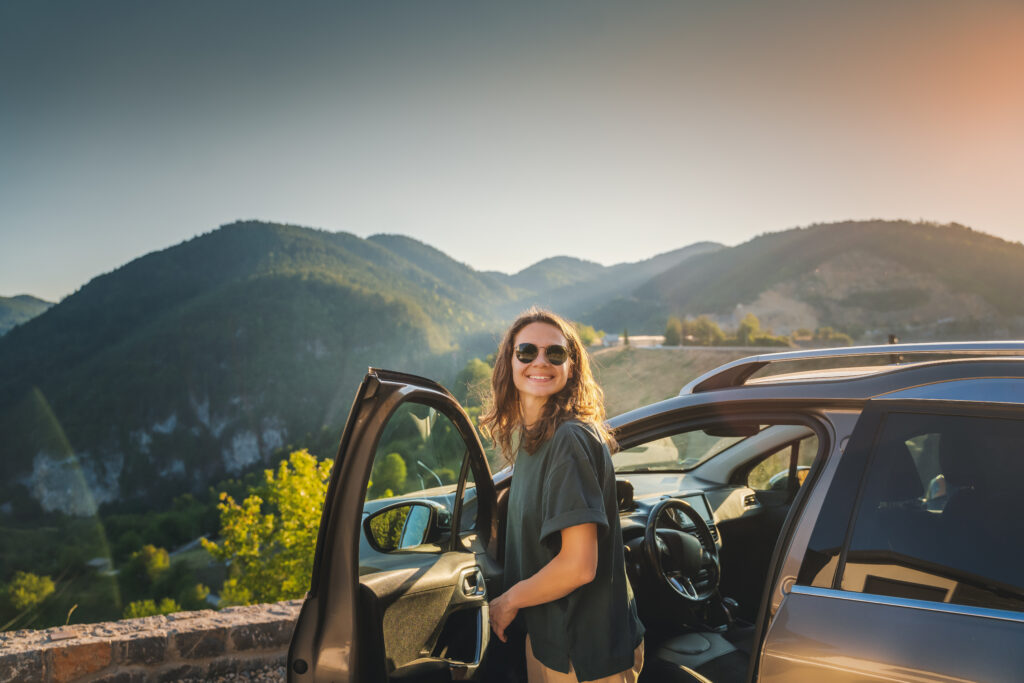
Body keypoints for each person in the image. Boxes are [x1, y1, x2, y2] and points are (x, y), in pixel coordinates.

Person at [481, 308, 645, 683]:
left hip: (584, 655)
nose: (541, 361)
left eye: (555, 353)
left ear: (571, 366)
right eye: (527, 352)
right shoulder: (533, 439)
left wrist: (507, 602)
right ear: (510, 361)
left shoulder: (568, 440)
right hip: (551, 641)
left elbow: (578, 565)